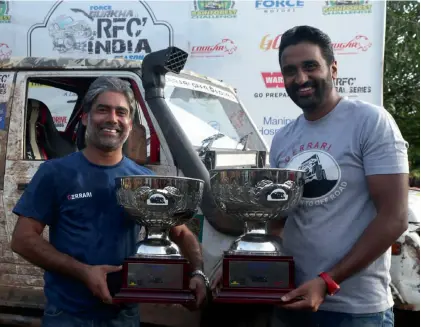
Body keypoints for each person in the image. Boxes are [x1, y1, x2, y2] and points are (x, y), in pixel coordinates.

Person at [211, 25, 409, 327]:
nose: (300, 78)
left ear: (332, 68)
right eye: (289, 71)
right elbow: (278, 222)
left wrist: (327, 281)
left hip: (355, 310)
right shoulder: (283, 139)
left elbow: (394, 218)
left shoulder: (370, 122)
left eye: (310, 66)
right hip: (291, 300)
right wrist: (242, 273)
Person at [10, 76, 208, 327]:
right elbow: (22, 239)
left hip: (124, 316)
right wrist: (84, 272)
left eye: (121, 112)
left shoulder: (144, 180)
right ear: (85, 117)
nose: (112, 119)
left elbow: (180, 232)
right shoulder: (55, 173)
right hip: (68, 316)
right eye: (102, 109)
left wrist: (198, 272)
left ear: (129, 123)